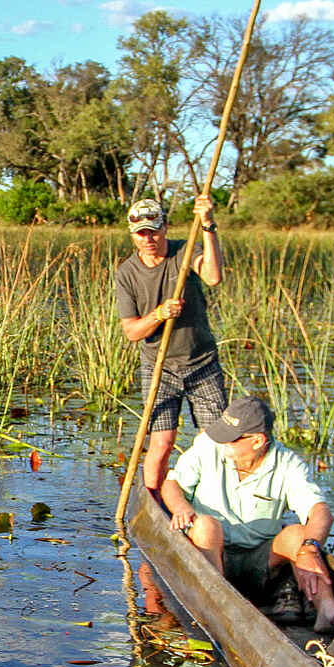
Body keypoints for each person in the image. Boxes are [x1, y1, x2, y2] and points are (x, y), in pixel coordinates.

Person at [161, 396, 334, 633]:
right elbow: (172, 484)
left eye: (230, 439)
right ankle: (217, 599)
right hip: (210, 552)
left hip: (259, 560)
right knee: (206, 526)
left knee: (299, 535)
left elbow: (319, 511)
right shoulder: (208, 446)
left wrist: (309, 548)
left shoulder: (288, 464)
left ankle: (328, 610)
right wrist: (181, 507)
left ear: (258, 441)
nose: (222, 443)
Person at [115, 193, 226, 500]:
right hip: (159, 367)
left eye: (154, 230)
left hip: (202, 363)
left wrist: (208, 225)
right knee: (161, 443)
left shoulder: (185, 250)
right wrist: (159, 314)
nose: (148, 238)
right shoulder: (126, 273)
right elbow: (132, 331)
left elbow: (213, 277)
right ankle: (153, 502)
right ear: (133, 235)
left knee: (213, 443)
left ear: (164, 228)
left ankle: (207, 503)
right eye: (141, 233)